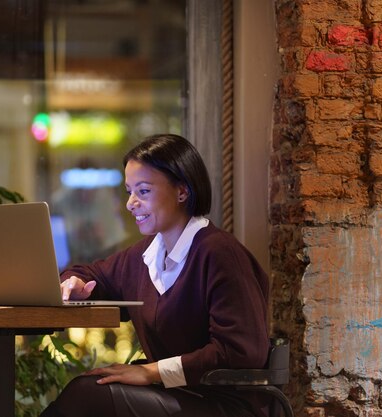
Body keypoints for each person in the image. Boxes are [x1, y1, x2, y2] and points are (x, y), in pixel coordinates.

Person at [40, 134, 270, 417]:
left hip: (226, 405)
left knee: (89, 393)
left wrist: (151, 372)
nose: (131, 203)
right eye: (129, 191)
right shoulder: (146, 255)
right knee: (90, 386)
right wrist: (73, 281)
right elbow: (94, 274)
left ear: (182, 191)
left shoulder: (218, 252)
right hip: (180, 394)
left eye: (143, 191)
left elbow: (240, 352)